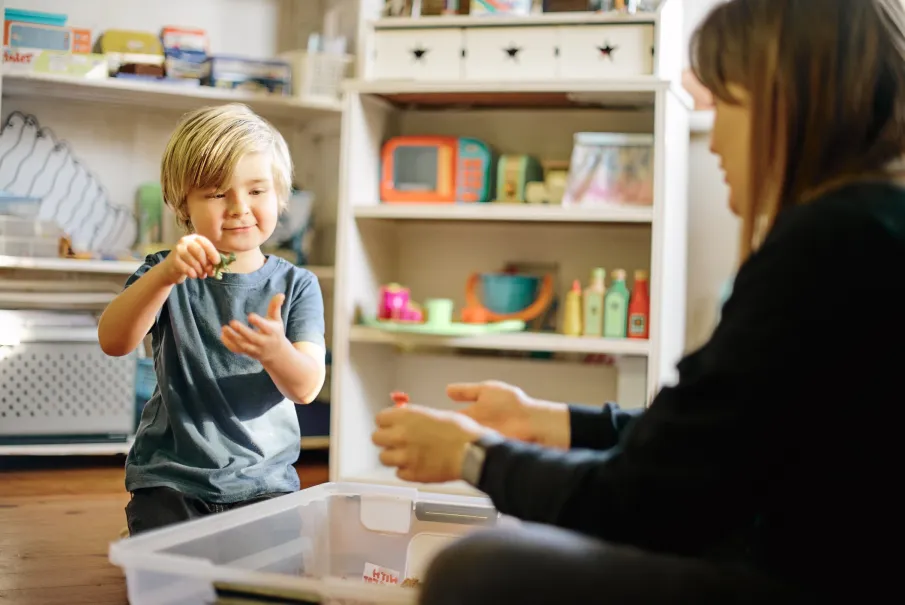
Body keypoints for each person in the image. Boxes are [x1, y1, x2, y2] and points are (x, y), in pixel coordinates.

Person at [371, 0, 904, 602]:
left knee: (476, 568)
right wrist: (550, 422)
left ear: (786, 101)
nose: (716, 137)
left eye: (723, 104)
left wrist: (473, 457)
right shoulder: (872, 223)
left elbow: (643, 501)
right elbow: (708, 442)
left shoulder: (829, 243)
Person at [98, 103, 326, 536]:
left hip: (265, 484)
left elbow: (307, 387)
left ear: (280, 196)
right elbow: (113, 341)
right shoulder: (163, 272)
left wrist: (277, 351)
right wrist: (165, 275)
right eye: (217, 193)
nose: (239, 207)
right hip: (171, 480)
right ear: (183, 205)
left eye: (256, 191)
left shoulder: (298, 285)